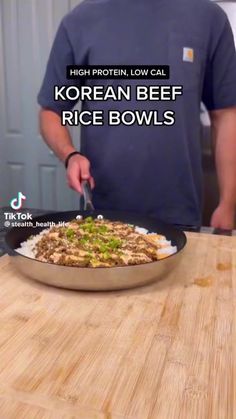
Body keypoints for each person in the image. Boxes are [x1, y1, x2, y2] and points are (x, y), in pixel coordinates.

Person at [38, 0, 236, 230]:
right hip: (103, 214)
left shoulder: (208, 17)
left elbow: (226, 114)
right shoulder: (80, 21)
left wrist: (228, 204)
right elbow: (51, 112)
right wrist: (70, 155)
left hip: (179, 216)